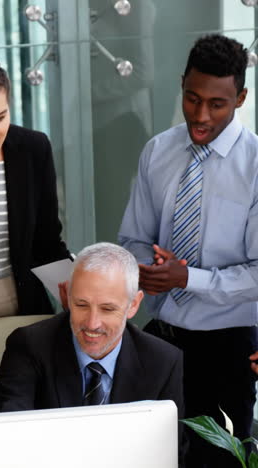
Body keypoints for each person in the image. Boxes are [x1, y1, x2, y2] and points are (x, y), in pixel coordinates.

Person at [118, 34, 258, 468]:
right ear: (181, 85)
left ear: (240, 97)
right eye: (192, 98)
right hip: (160, 340)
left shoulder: (255, 166)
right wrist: (144, 269)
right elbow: (133, 238)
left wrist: (187, 278)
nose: (200, 115)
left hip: (228, 349)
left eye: (216, 104)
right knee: (153, 458)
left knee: (218, 462)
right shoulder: (157, 151)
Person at [0, 242, 185, 465]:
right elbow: (9, 440)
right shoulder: (30, 346)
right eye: (82, 305)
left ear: (133, 305)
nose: (92, 323)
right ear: (66, 295)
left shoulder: (162, 361)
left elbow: (171, 455)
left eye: (107, 309)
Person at [0, 62, 70, 316]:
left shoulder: (32, 149)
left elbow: (46, 241)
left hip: (24, 301)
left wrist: (79, 295)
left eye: (0, 118)